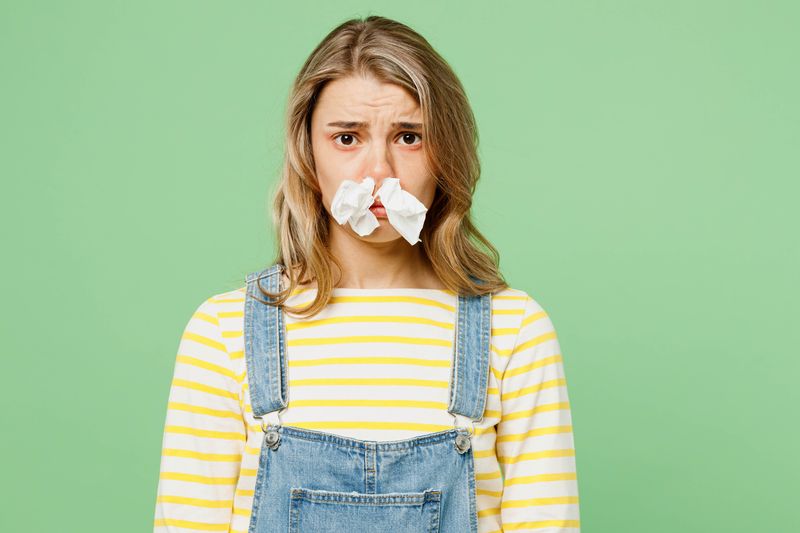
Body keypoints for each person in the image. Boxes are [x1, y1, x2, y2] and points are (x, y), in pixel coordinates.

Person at [154, 15, 580, 533]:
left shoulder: (515, 331)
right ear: (308, 155)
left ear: (448, 153)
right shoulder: (224, 333)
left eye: (408, 137)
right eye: (347, 138)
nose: (379, 172)